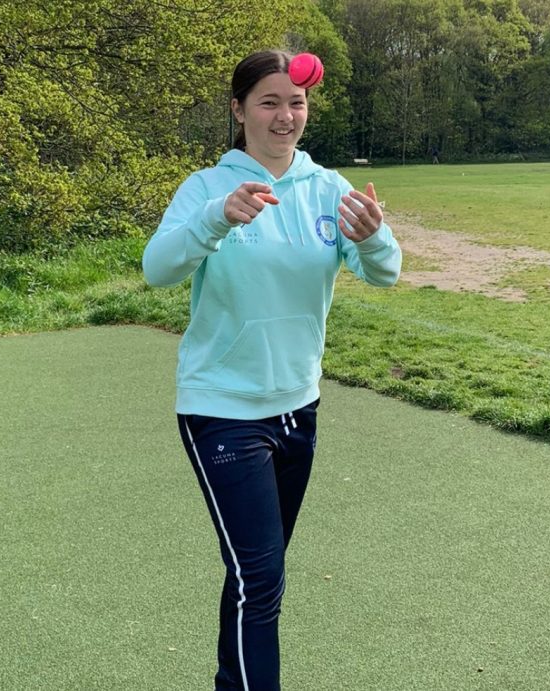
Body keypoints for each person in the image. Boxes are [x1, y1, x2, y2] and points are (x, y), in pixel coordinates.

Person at [142, 49, 402, 691]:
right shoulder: (207, 187)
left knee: (256, 574)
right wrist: (215, 219)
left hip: (298, 410)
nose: (285, 116)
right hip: (222, 410)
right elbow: (157, 269)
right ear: (238, 109)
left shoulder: (327, 186)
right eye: (269, 101)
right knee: (260, 579)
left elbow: (386, 272)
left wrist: (372, 236)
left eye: (297, 102)